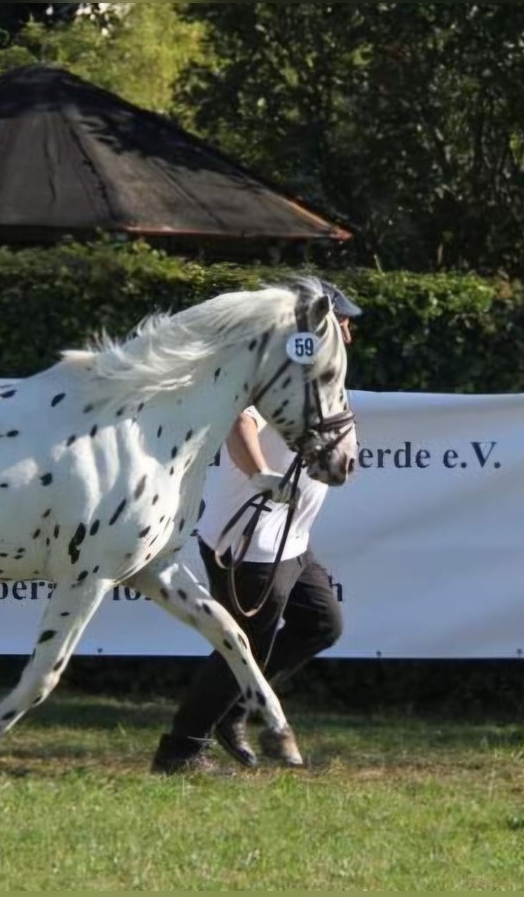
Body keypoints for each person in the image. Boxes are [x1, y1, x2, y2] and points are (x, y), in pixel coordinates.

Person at [151, 281, 360, 774]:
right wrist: (261, 474)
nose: (349, 331)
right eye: (343, 320)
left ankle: (234, 711)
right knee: (240, 646)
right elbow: (238, 423)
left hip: (292, 539)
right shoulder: (277, 372)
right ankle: (181, 750)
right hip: (253, 540)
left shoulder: (319, 373)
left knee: (321, 625)